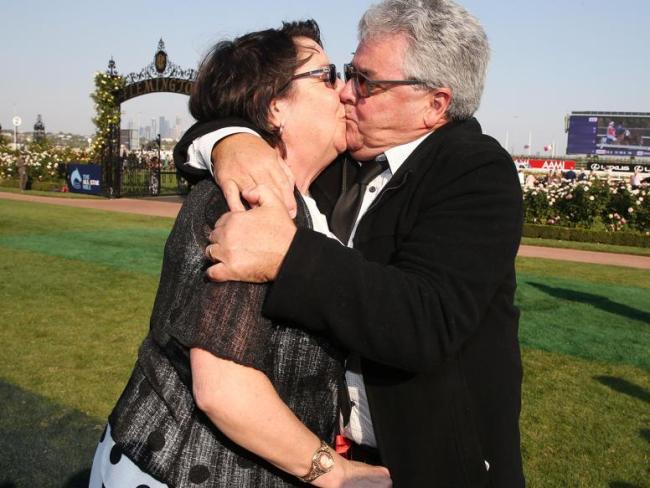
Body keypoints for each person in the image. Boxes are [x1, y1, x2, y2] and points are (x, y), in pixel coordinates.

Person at [175, 1, 525, 486]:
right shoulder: (350, 156)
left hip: (432, 462)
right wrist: (230, 140)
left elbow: (427, 320)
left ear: (434, 104)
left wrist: (287, 256)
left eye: (367, 82)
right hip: (325, 447)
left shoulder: (476, 171)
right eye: (345, 75)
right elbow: (233, 111)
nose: (345, 92)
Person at [90, 20, 391, 488]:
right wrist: (337, 473)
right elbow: (225, 389)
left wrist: (224, 138)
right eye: (329, 75)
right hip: (182, 471)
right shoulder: (252, 197)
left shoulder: (302, 193)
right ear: (275, 107)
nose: (348, 90)